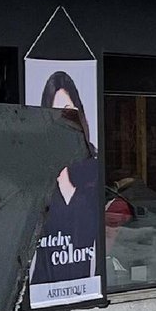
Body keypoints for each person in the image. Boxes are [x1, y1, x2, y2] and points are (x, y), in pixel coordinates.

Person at [30, 71, 103, 292]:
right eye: (56, 114)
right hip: (42, 295)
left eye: (70, 113)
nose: (65, 122)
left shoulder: (94, 175)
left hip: (87, 291)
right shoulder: (36, 178)